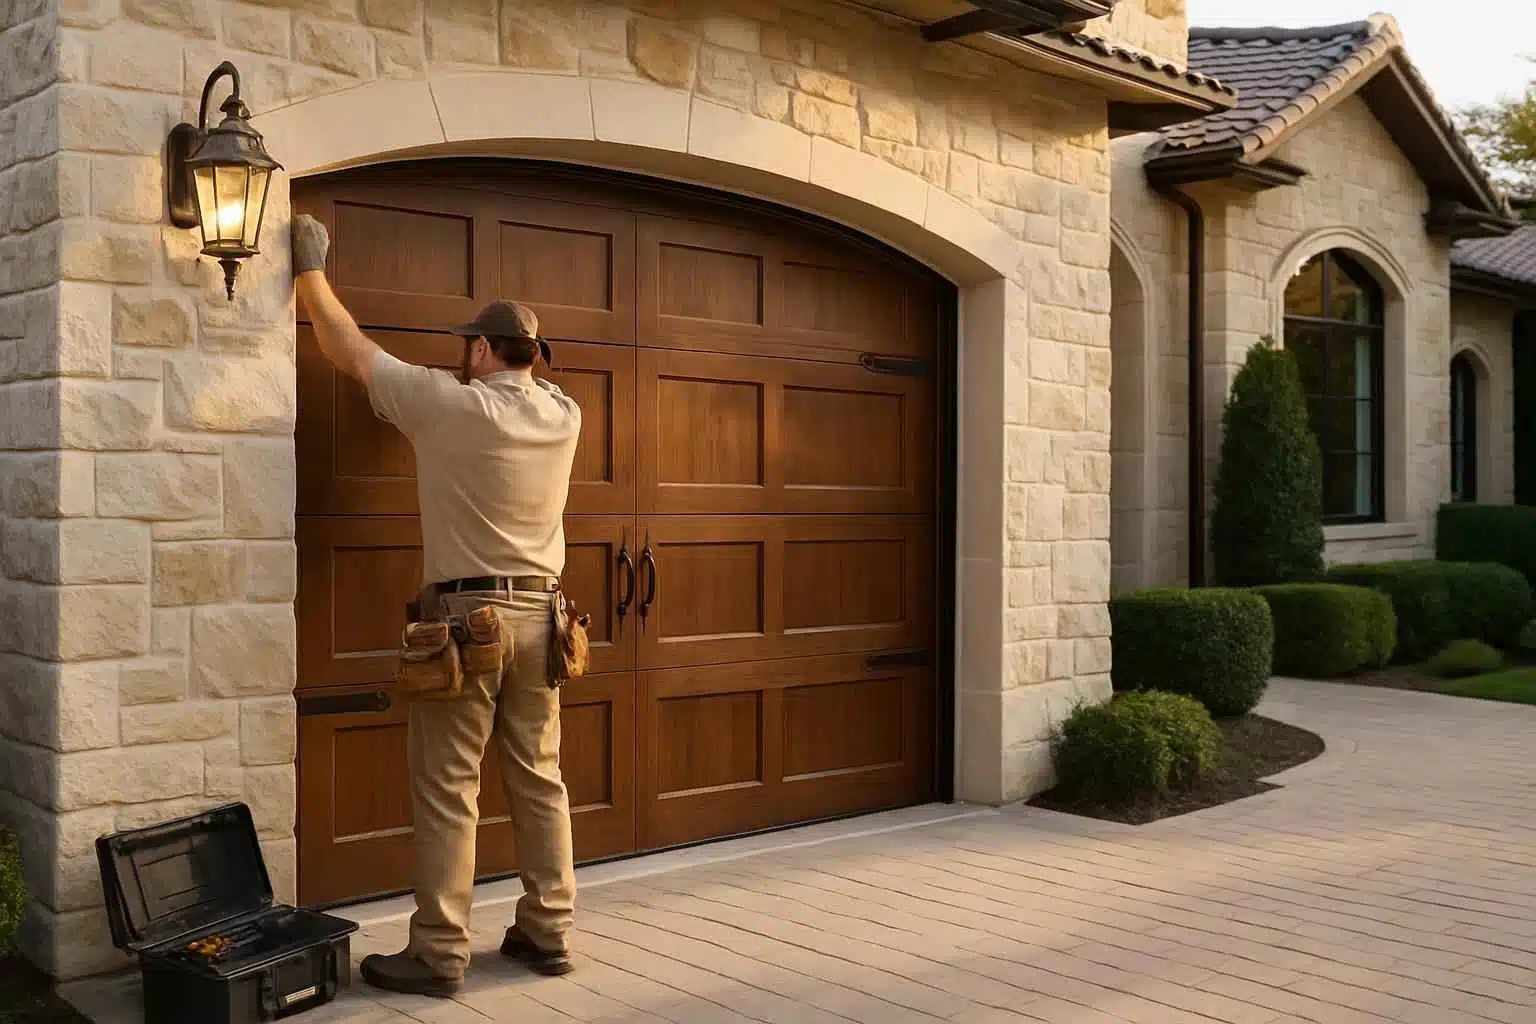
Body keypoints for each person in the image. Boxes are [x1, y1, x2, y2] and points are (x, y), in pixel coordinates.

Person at [290, 214, 582, 997]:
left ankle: (439, 952)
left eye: (470, 347)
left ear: (481, 351)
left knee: (450, 788)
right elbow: (536, 377)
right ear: (537, 358)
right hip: (545, 619)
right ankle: (548, 930)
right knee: (539, 779)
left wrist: (311, 269)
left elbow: (347, 350)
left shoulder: (449, 406)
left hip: (468, 623)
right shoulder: (564, 415)